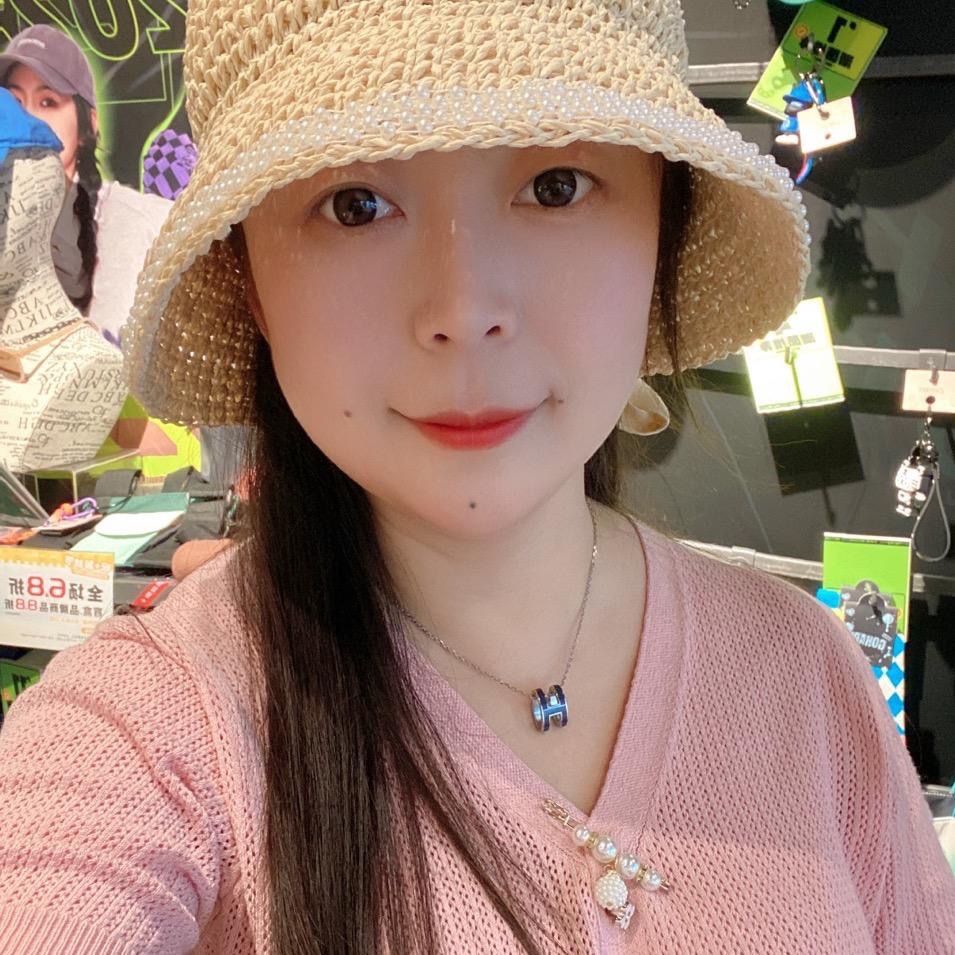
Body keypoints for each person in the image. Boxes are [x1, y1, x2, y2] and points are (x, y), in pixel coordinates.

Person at [0, 2, 953, 953]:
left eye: (555, 185)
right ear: (248, 276)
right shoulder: (149, 728)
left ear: (662, 228)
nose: (463, 310)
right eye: (355, 204)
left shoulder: (807, 677)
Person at [0, 23, 170, 347]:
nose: (27, 120)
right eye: (15, 102)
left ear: (88, 125)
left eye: (47, 102)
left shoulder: (133, 221)